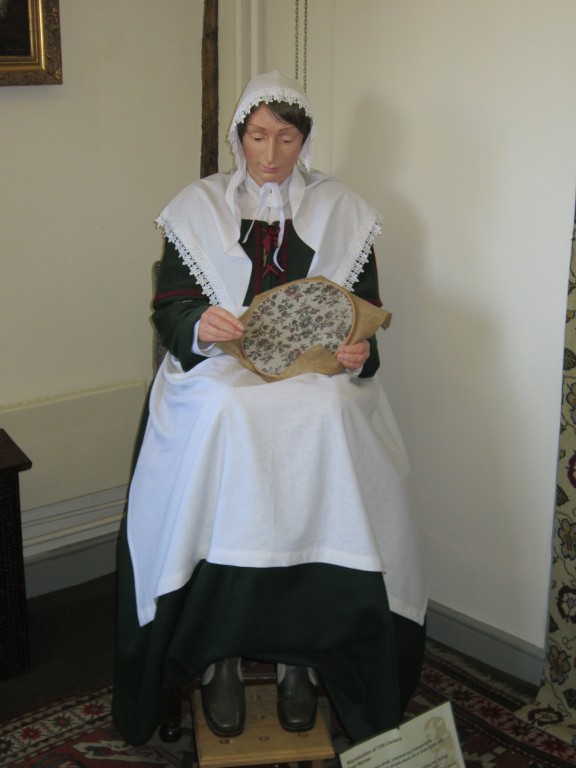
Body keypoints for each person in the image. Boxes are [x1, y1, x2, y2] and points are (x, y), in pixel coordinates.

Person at [112, 70, 427, 747]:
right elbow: (171, 308)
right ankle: (218, 657)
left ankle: (299, 661)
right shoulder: (198, 208)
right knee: (227, 408)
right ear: (239, 137)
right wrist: (202, 325)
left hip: (312, 374)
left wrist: (357, 352)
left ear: (305, 142)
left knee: (329, 412)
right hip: (221, 371)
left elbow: (363, 316)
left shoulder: (343, 211)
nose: (271, 153)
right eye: (258, 136)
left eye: (287, 138)